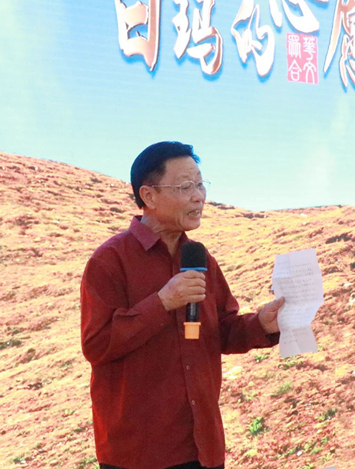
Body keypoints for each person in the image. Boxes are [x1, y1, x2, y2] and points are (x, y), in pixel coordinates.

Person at [80, 141, 285, 469]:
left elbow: (223, 331)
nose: (198, 196)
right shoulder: (110, 261)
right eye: (186, 186)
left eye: (201, 185)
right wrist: (162, 302)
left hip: (202, 447)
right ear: (149, 196)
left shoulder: (200, 259)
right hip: (138, 453)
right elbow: (97, 344)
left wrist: (261, 323)